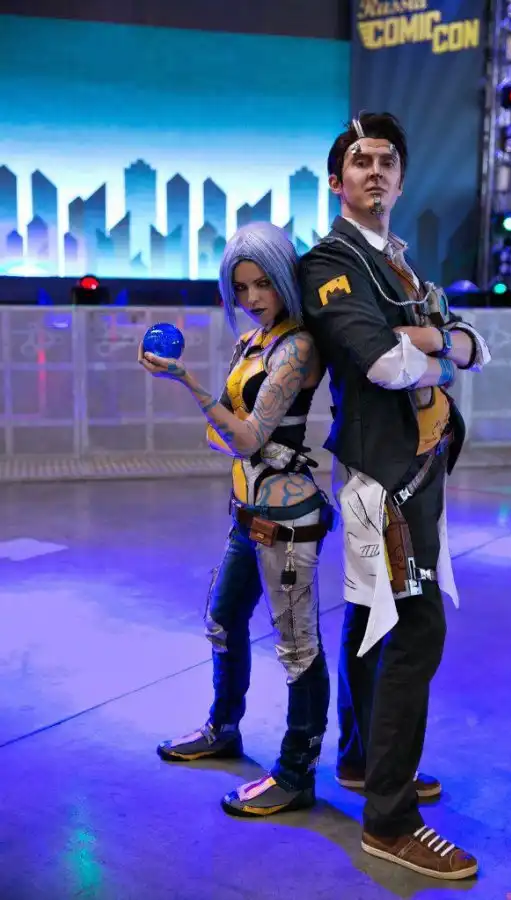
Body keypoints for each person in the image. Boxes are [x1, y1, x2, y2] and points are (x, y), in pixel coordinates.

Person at [299, 113, 490, 880]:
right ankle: (391, 818)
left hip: (420, 469)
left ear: (401, 180)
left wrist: (433, 340)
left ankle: (361, 760)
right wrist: (440, 352)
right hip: (383, 482)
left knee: (369, 621)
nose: (374, 170)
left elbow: (474, 341)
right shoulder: (331, 262)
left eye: (386, 160)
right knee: (415, 629)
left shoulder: (400, 265)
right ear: (337, 181)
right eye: (359, 160)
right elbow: (381, 364)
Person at [139, 222, 332, 817]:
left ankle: (296, 774)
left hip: (287, 521)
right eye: (241, 287)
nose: (251, 298)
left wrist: (187, 382)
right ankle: (224, 728)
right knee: (223, 621)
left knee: (297, 649)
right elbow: (227, 435)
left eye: (263, 284)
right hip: (247, 512)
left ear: (285, 280)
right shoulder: (253, 342)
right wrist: (225, 421)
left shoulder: (297, 347)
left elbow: (244, 437)